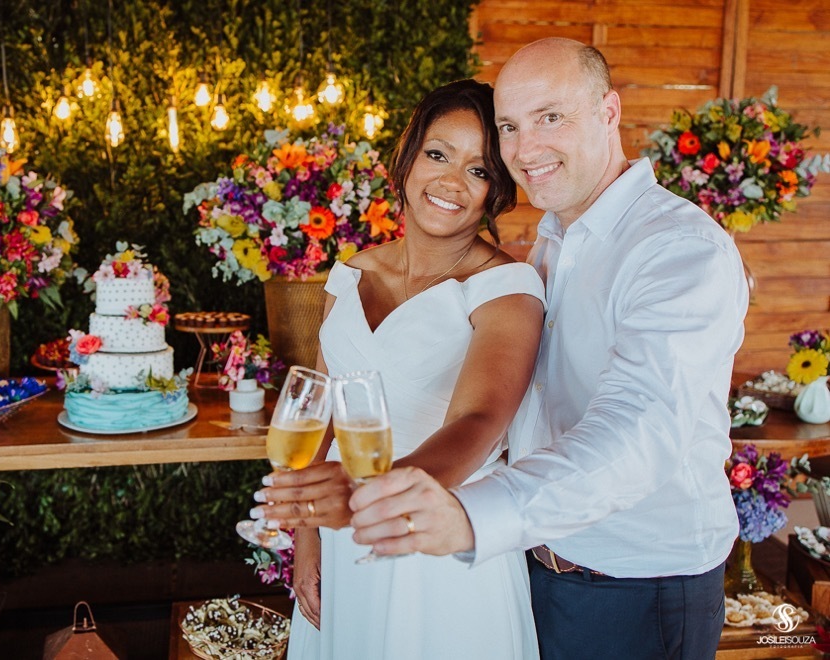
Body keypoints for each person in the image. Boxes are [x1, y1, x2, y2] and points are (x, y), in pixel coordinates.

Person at [348, 38, 750, 659]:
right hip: (536, 568)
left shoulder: (677, 249)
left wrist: (474, 513)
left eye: (550, 117)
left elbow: (637, 430)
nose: (525, 149)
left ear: (609, 111)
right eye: (510, 126)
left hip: (634, 585)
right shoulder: (554, 239)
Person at [251, 79, 545, 659]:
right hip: (343, 533)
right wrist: (307, 536)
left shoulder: (508, 289)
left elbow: (479, 421)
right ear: (408, 157)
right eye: (438, 154)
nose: (451, 182)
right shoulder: (350, 273)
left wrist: (377, 495)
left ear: (498, 191)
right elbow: (320, 410)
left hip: (439, 540)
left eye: (479, 170)